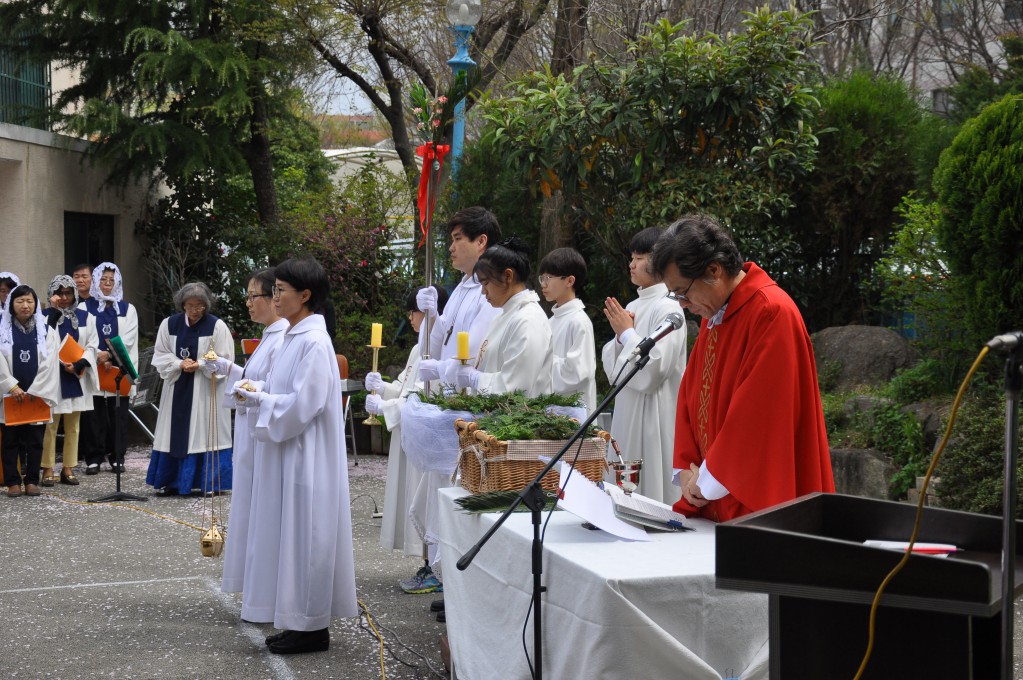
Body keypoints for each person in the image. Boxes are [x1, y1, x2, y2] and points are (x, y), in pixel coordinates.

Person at [650, 214, 834, 522]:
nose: (681, 303)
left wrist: (705, 481)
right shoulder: (715, 316)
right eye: (675, 294)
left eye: (683, 291)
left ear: (714, 270)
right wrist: (686, 471)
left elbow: (759, 418)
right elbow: (690, 396)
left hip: (757, 500)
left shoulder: (771, 312)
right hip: (713, 495)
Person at [229, 256, 357, 654]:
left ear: (305, 295)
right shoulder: (292, 338)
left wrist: (260, 397)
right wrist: (255, 391)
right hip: (289, 452)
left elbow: (304, 405)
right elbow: (280, 389)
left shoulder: (316, 343)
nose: (275, 296)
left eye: (281, 290)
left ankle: (312, 627)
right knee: (289, 536)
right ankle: (294, 620)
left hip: (307, 455)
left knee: (306, 536)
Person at [402, 206, 502, 595]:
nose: (451, 248)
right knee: (447, 492)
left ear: (482, 242)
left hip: (473, 402)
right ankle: (449, 581)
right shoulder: (462, 285)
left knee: (465, 493)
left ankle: (463, 585)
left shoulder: (487, 288)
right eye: (449, 240)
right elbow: (446, 341)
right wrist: (432, 317)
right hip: (453, 399)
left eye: (459, 239)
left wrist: (445, 369)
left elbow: (474, 350)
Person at [217, 269, 289, 605]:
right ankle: (254, 583)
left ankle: (266, 588)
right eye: (246, 296)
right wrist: (230, 370)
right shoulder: (268, 337)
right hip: (250, 431)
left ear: (274, 298)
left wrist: (245, 386)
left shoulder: (283, 337)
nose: (248, 303)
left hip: (263, 433)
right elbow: (255, 378)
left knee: (260, 508)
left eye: (252, 296)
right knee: (248, 504)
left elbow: (275, 388)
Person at [602, 227, 687, 504]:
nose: (631, 264)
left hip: (655, 413)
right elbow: (614, 372)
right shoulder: (633, 304)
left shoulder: (670, 307)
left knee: (651, 490)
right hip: (627, 407)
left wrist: (626, 333)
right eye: (631, 257)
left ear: (659, 259)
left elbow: (655, 371)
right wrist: (619, 337)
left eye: (639, 257)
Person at [365, 285, 448, 558]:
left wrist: (384, 406)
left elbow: (424, 399)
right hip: (407, 434)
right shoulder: (417, 350)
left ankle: (431, 563)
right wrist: (383, 387)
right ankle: (425, 562)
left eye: (413, 311)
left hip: (425, 439)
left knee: (424, 501)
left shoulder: (438, 352)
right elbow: (403, 387)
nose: (410, 318)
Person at [146, 282, 234, 496]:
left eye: (199, 306)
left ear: (206, 305)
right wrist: (179, 363)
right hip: (177, 386)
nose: (194, 310)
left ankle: (210, 483)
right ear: (182, 304)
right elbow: (160, 353)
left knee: (205, 431)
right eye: (190, 305)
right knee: (173, 432)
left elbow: (224, 357)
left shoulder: (216, 326)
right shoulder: (169, 325)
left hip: (205, 389)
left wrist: (201, 364)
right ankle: (172, 480)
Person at [455, 237, 553, 397]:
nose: (483, 292)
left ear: (508, 276)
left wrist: (475, 379)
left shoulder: (529, 320)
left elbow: (515, 387)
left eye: (486, 283)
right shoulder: (504, 316)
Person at [0, 285, 61, 497]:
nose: (25, 306)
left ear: (35, 304)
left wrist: (36, 389)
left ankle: (32, 480)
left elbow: (51, 361)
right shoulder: (2, 330)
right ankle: (13, 482)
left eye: (29, 301)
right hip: (10, 396)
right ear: (11, 305)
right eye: (20, 301)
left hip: (37, 396)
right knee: (10, 441)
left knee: (35, 440)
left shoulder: (46, 330)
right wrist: (11, 385)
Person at [79, 262, 139, 475]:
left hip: (118, 368)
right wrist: (97, 355)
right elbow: (82, 336)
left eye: (111, 280)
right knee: (92, 414)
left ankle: (117, 457)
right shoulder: (84, 308)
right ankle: (93, 457)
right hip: (93, 368)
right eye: (103, 280)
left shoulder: (127, 309)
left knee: (118, 414)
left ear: (118, 283)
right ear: (96, 281)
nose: (107, 284)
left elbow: (129, 338)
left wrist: (109, 355)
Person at [41, 275, 98, 486]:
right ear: (52, 294)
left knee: (74, 426)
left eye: (68, 293)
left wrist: (81, 364)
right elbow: (42, 343)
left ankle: (68, 467)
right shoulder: (44, 315)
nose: (64, 297)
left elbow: (92, 345)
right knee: (50, 425)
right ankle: (47, 467)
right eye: (59, 293)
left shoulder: (86, 316)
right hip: (53, 377)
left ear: (74, 294)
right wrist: (54, 314)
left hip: (76, 375)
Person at [539, 247, 597, 414]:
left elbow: (578, 373)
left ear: (569, 281)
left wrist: (542, 362)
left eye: (548, 278)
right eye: (542, 278)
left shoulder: (579, 321)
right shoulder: (550, 321)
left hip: (573, 411)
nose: (543, 284)